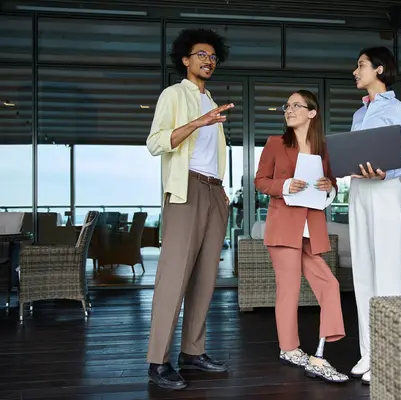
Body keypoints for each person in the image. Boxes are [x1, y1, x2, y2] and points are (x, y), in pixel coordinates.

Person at [145, 28, 235, 390]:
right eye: (201, 55)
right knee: (174, 277)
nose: (208, 61)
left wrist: (223, 193)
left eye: (213, 57)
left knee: (205, 278)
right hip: (186, 192)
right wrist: (197, 122)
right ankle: (157, 360)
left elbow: (212, 155)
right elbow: (155, 143)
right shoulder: (174, 94)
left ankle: (192, 352)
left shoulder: (211, 99)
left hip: (214, 193)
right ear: (185, 59)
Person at [254, 90, 349, 384]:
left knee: (330, 285)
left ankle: (320, 352)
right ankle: (289, 349)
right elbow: (260, 181)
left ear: (312, 112)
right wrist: (284, 186)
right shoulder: (275, 144)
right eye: (287, 106)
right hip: (283, 228)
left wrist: (328, 187)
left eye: (297, 105)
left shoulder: (323, 149)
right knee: (289, 290)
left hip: (311, 230)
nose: (289, 110)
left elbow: (332, 185)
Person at [348, 46, 401, 385]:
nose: (355, 71)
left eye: (360, 65)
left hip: (386, 191)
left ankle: (391, 356)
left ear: (379, 69)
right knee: (363, 273)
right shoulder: (359, 115)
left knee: (388, 274)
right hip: (358, 191)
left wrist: (384, 173)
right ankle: (369, 353)